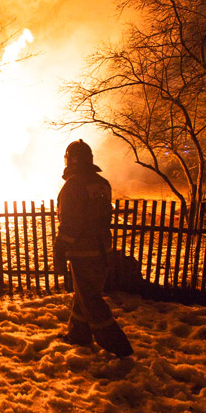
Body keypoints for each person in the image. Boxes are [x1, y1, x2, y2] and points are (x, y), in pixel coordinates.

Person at [54, 139, 133, 357]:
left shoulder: (73, 185)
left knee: (90, 299)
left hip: (83, 252)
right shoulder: (101, 182)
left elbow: (71, 222)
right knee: (85, 294)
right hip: (103, 250)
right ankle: (78, 335)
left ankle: (117, 344)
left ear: (70, 160)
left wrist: (60, 247)